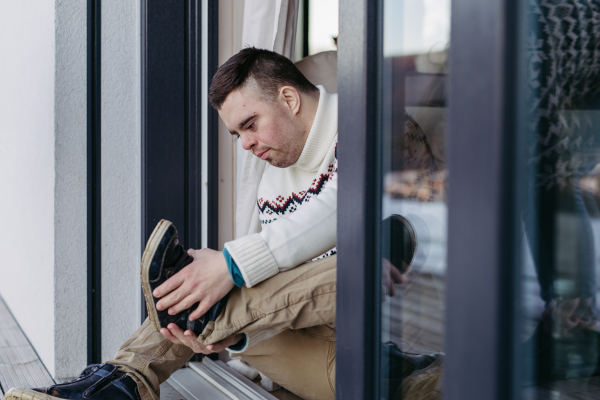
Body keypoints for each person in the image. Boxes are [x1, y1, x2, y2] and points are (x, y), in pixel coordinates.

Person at [5, 48, 436, 400]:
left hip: (397, 338)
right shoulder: (277, 175)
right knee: (206, 303)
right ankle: (123, 381)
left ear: (289, 99)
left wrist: (230, 265)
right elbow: (283, 282)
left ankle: (163, 350)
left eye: (250, 125)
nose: (246, 145)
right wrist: (230, 310)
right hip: (322, 350)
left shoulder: (382, 126)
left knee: (363, 255)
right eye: (236, 135)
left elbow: (345, 205)